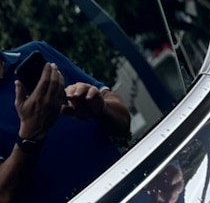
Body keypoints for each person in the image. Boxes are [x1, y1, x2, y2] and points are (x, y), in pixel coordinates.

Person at [0, 40, 131, 202]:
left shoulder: (37, 51)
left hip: (130, 189)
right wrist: (31, 133)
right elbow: (4, 194)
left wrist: (100, 108)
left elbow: (124, 120)